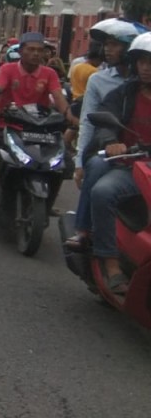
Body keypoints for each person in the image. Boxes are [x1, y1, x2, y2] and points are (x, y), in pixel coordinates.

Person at [64, 18, 144, 251]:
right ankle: (83, 230)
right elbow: (90, 121)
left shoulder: (142, 82)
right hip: (112, 150)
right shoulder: (100, 80)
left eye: (115, 44)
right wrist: (80, 162)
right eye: (106, 44)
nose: (107, 49)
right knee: (97, 168)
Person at [82, 32, 151, 295]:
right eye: (142, 61)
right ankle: (110, 263)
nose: (146, 67)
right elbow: (105, 120)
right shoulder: (124, 93)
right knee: (103, 192)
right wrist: (112, 140)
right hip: (132, 167)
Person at [0, 32, 70, 206]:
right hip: (8, 124)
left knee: (63, 162)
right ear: (21, 51)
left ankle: (49, 199)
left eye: (40, 50)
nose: (36, 54)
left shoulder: (49, 73)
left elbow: (58, 98)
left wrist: (70, 117)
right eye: (31, 49)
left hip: (39, 128)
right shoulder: (7, 69)